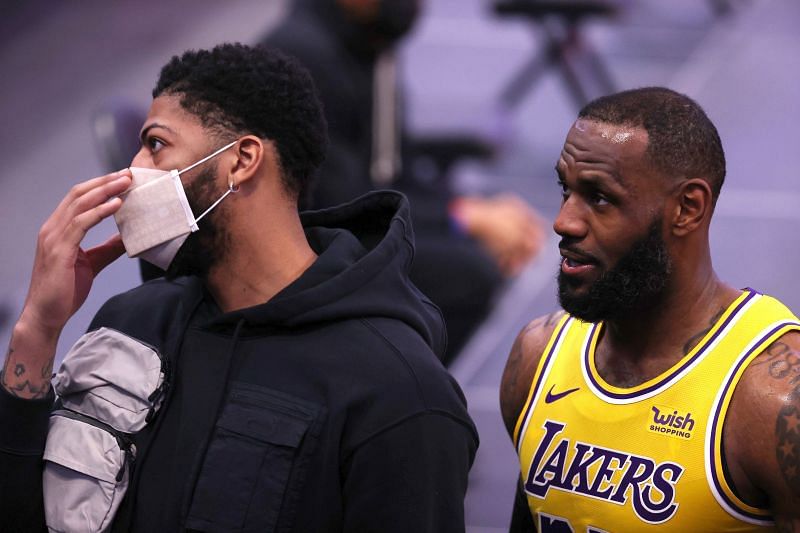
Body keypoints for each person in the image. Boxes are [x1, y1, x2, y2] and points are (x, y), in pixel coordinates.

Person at [0, 43, 478, 532]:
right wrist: (38, 328)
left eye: (156, 145)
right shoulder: (132, 324)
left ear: (243, 159)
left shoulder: (397, 392)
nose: (128, 174)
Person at [499, 87, 800, 531]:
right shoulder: (536, 358)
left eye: (599, 197)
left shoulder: (771, 399)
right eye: (566, 189)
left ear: (687, 208)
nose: (564, 221)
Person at [261, 0, 545, 364]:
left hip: (360, 219)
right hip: (315, 248)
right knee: (470, 275)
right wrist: (461, 219)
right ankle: (388, 396)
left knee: (491, 243)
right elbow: (337, 203)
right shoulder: (303, 56)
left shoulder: (369, 44)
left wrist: (470, 211)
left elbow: (395, 167)